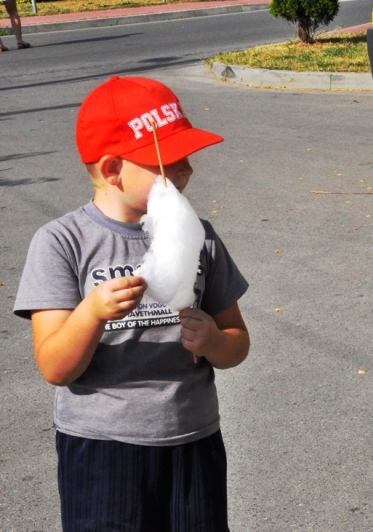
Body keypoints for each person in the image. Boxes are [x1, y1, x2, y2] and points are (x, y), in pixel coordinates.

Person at [14, 76, 250, 531]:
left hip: (193, 436)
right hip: (102, 447)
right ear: (112, 169)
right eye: (169, 160)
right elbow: (55, 367)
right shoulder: (62, 242)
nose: (187, 169)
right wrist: (92, 313)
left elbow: (237, 342)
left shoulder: (200, 238)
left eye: (188, 156)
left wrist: (214, 341)